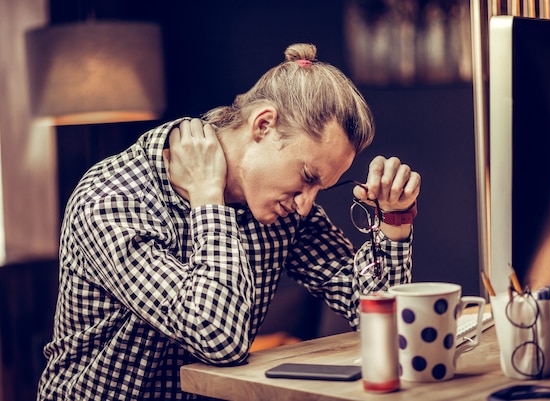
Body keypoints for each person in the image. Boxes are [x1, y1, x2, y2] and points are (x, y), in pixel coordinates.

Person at [37, 43, 421, 400]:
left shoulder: (283, 211)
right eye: (307, 176)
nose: (307, 205)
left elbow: (379, 314)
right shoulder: (113, 199)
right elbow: (217, 338)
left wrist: (394, 220)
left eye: (321, 188)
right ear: (263, 125)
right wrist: (209, 199)